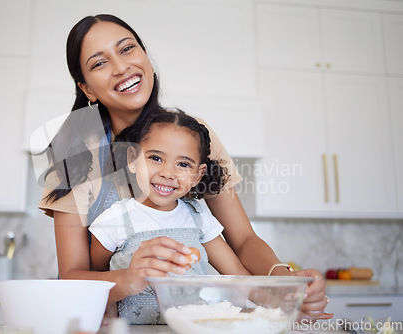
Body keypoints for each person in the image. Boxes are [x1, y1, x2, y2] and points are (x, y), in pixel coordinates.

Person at [38, 14, 332, 322]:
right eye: (99, 63)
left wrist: (286, 284)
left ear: (146, 58)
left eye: (127, 49)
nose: (121, 67)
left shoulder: (194, 134)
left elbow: (243, 239)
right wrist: (127, 278)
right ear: (87, 89)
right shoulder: (72, 155)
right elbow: (71, 276)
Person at [88, 110, 251, 324]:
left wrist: (280, 300)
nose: (168, 173)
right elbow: (96, 277)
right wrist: (108, 309)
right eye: (156, 158)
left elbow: (237, 274)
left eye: (183, 164)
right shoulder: (114, 220)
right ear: (132, 159)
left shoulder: (198, 217)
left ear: (197, 175)